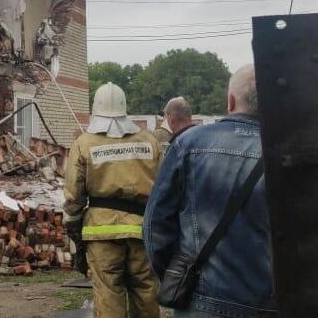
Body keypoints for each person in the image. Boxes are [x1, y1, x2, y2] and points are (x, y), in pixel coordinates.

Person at [144, 64, 276, 317]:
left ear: (230, 100)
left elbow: (156, 225)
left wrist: (176, 277)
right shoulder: (291, 152)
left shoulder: (188, 144)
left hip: (201, 303)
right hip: (269, 306)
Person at [65, 82, 162, 318]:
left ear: (95, 108)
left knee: (109, 292)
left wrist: (74, 224)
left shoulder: (84, 143)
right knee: (146, 290)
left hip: (101, 233)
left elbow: (74, 195)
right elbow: (163, 190)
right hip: (142, 230)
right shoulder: (150, 142)